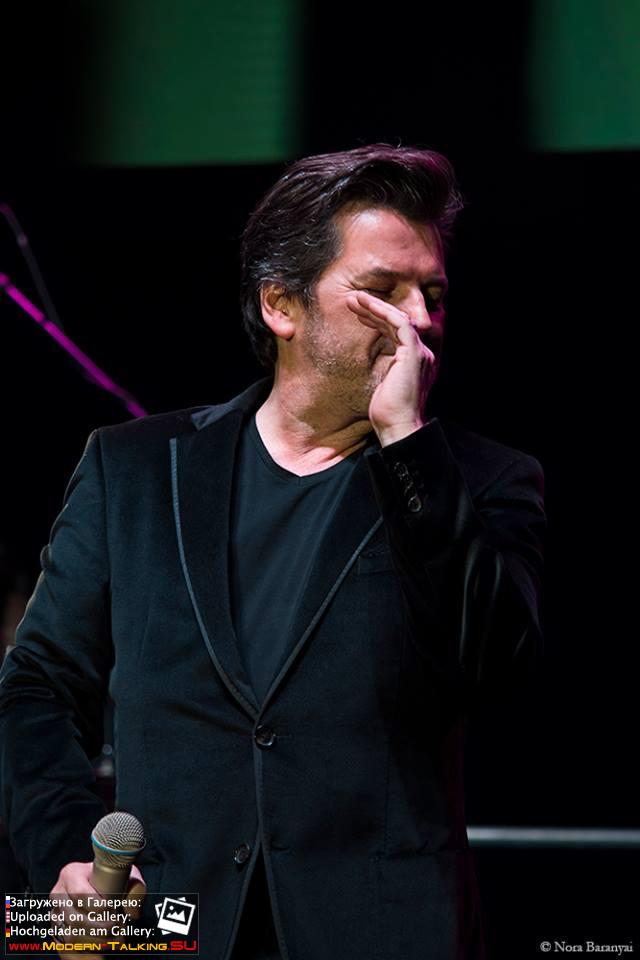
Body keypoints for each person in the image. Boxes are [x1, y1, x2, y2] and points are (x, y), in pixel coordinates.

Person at [0, 144, 545, 959]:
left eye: (431, 295)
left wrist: (407, 444)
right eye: (383, 291)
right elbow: (37, 685)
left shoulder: (479, 480)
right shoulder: (135, 468)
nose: (419, 322)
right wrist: (62, 852)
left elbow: (494, 670)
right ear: (282, 305)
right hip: (169, 928)